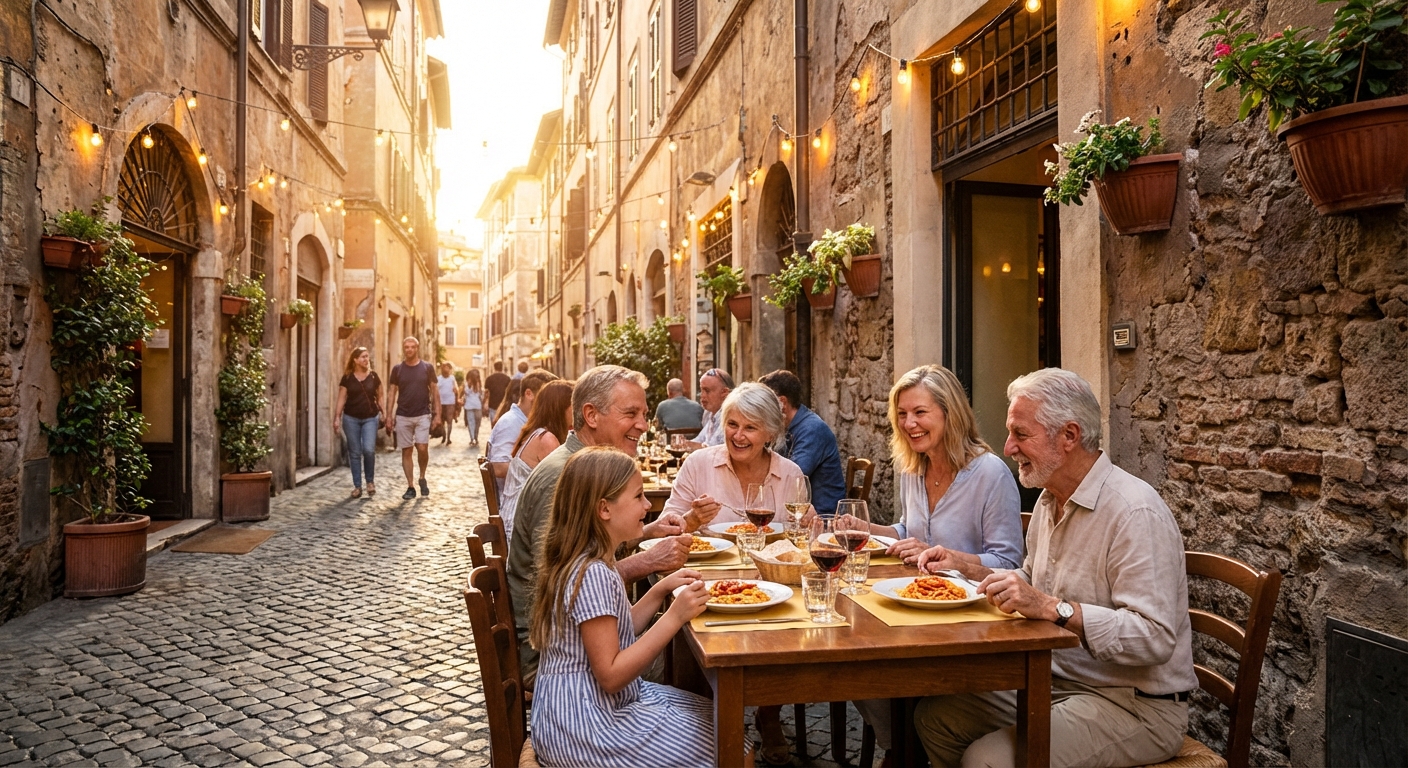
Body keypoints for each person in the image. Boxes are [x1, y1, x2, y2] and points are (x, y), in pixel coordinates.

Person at [913, 368, 1197, 768]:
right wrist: (970, 571)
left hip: (1136, 705)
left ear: (1069, 436)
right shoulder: (1049, 500)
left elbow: (1154, 638)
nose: (1008, 447)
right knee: (936, 718)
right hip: (1056, 681)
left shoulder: (1135, 512)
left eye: (1021, 434)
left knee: (985, 759)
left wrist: (1053, 608)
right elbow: (1032, 580)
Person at [848, 365, 1026, 755]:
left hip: (968, 621)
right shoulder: (913, 468)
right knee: (851, 660)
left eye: (920, 412)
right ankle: (902, 749)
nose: (909, 423)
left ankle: (907, 752)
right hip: (915, 607)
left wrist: (954, 560)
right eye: (902, 413)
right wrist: (866, 529)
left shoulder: (990, 474)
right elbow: (907, 530)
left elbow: (1010, 562)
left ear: (950, 413)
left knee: (875, 666)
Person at [528, 447, 723, 768]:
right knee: (727, 739)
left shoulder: (591, 562)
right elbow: (611, 675)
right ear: (604, 509)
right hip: (584, 724)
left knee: (716, 715)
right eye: (638, 496)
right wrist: (674, 616)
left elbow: (620, 627)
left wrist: (660, 589)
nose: (648, 505)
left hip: (579, 708)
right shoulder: (592, 574)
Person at [508, 365, 696, 686]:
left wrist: (647, 532)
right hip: (552, 655)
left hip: (580, 636)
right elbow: (564, 583)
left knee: (685, 634)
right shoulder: (564, 477)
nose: (643, 425)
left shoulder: (586, 467)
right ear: (591, 416)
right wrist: (648, 561)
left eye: (644, 414)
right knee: (690, 654)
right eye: (631, 413)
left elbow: (584, 547)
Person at [661, 382, 805, 765]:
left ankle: (769, 713)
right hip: (711, 587)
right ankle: (701, 719)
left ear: (770, 433)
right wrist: (691, 520)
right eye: (732, 424)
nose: (738, 436)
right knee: (693, 635)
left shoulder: (790, 474)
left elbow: (800, 539)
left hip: (770, 587)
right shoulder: (699, 464)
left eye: (750, 427)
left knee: (789, 631)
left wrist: (808, 527)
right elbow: (664, 529)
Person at [758, 369, 847, 516]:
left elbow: (791, 478)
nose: (760, 412)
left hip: (822, 518)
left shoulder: (812, 429)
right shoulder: (786, 426)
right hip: (795, 512)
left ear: (782, 402)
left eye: (764, 405)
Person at [499, 379, 574, 544]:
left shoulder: (537, 432)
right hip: (520, 528)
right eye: (573, 406)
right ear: (560, 408)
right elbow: (566, 486)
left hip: (518, 519)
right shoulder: (546, 439)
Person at [488, 370, 558, 499]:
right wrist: (539, 471)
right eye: (545, 397)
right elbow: (498, 467)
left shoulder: (525, 420)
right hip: (516, 500)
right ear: (529, 394)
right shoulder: (511, 422)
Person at [385, 337, 440, 500]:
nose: (409, 350)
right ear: (404, 349)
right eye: (406, 347)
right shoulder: (397, 370)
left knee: (422, 447)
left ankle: (422, 476)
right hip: (403, 415)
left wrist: (438, 415)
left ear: (417, 348)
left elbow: (435, 391)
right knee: (407, 450)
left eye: (412, 347)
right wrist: (389, 416)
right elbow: (392, 393)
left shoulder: (427, 368)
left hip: (423, 413)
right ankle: (410, 486)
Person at [333, 346, 383, 499]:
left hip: (370, 418)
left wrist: (385, 414)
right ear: (355, 360)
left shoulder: (374, 376)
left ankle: (370, 482)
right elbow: (342, 398)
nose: (366, 359)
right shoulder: (347, 378)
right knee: (354, 452)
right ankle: (357, 486)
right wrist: (337, 417)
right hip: (351, 418)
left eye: (367, 356)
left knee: (368, 450)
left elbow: (380, 396)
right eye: (363, 356)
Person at [688, 368, 734, 448]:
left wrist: (686, 445)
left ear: (724, 392)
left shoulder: (730, 417)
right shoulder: (710, 413)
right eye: (701, 390)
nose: (702, 396)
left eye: (707, 391)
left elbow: (713, 449)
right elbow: (699, 440)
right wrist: (682, 443)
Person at [436, 362, 459, 446]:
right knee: (441, 421)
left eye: (447, 368)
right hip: (441, 403)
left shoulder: (452, 378)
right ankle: (444, 435)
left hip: (450, 402)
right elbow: (435, 391)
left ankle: (448, 438)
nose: (445, 369)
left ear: (449, 369)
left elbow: (456, 389)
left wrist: (456, 392)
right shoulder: (438, 379)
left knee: (449, 420)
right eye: (443, 367)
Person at [462, 369, 484, 448]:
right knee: (477, 423)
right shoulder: (478, 384)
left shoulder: (467, 384)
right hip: (477, 405)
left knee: (471, 423)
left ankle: (472, 438)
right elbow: (481, 395)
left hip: (469, 406)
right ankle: (475, 437)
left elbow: (466, 393)